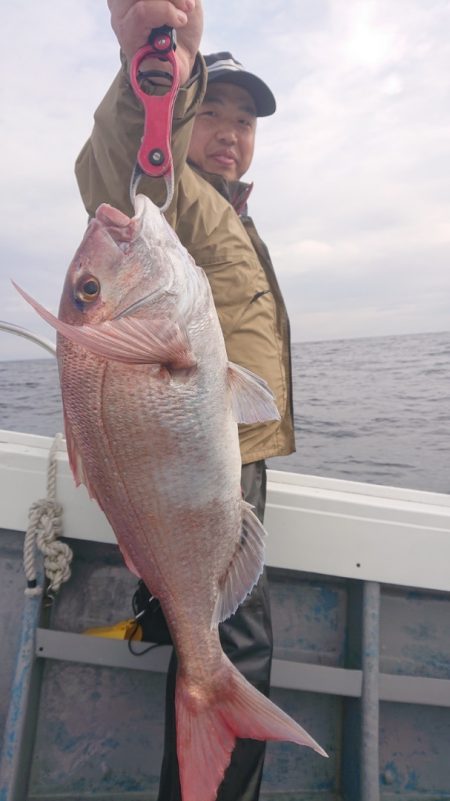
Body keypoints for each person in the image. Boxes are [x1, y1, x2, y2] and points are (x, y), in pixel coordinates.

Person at [75, 2, 295, 799]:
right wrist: (158, 66)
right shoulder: (173, 201)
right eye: (216, 114)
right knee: (233, 645)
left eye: (246, 123)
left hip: (223, 455)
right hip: (201, 467)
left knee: (227, 640)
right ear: (185, 117)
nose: (231, 134)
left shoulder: (233, 216)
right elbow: (122, 167)